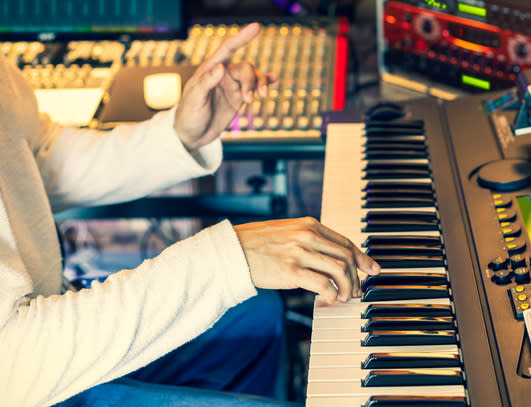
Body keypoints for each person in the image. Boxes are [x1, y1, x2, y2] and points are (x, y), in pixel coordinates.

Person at [0, 22, 380, 406]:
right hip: (27, 373)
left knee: (259, 315)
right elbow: (13, 361)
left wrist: (177, 135)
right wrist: (226, 260)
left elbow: (35, 159)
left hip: (41, 325)